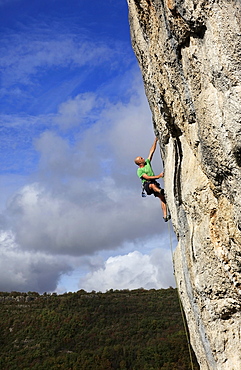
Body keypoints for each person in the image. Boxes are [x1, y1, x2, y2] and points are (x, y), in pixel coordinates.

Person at [134, 137, 171, 222]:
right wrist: (159, 176)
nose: (143, 158)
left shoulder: (147, 163)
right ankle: (160, 191)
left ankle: (165, 216)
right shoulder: (139, 171)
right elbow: (147, 177)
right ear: (139, 162)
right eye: (141, 158)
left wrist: (155, 141)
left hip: (154, 183)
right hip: (148, 185)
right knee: (151, 185)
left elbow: (151, 152)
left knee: (162, 199)